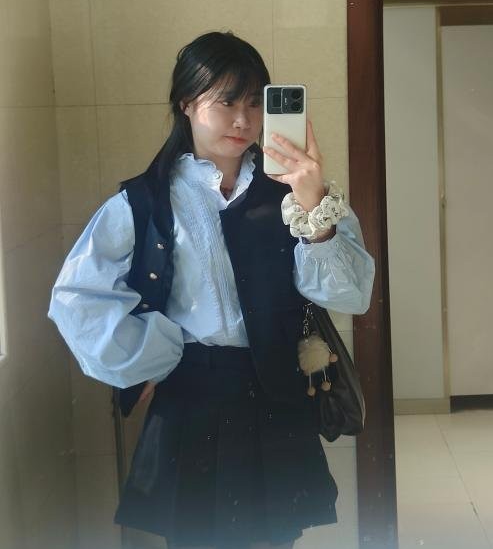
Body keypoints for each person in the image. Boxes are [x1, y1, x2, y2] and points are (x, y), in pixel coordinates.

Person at [48, 31, 375, 549]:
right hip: (192, 395)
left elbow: (352, 294)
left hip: (275, 392)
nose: (243, 120)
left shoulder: (296, 194)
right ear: (186, 103)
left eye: (254, 103)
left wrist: (314, 207)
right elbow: (76, 296)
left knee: (274, 541)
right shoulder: (146, 200)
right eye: (226, 102)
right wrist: (150, 356)